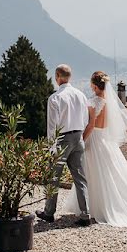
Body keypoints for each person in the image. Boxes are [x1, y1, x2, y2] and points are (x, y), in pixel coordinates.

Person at [61, 70, 127, 228]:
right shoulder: (109, 102)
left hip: (94, 139)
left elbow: (90, 125)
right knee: (110, 171)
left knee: (90, 172)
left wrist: (82, 140)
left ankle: (95, 207)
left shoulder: (93, 102)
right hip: (105, 140)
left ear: (94, 85)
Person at [36, 64, 91, 226]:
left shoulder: (55, 98)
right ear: (70, 77)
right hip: (78, 137)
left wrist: (51, 147)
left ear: (57, 77)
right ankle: (85, 215)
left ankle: (49, 213)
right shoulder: (81, 95)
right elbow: (86, 119)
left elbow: (52, 126)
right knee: (80, 178)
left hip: (62, 140)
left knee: (54, 177)